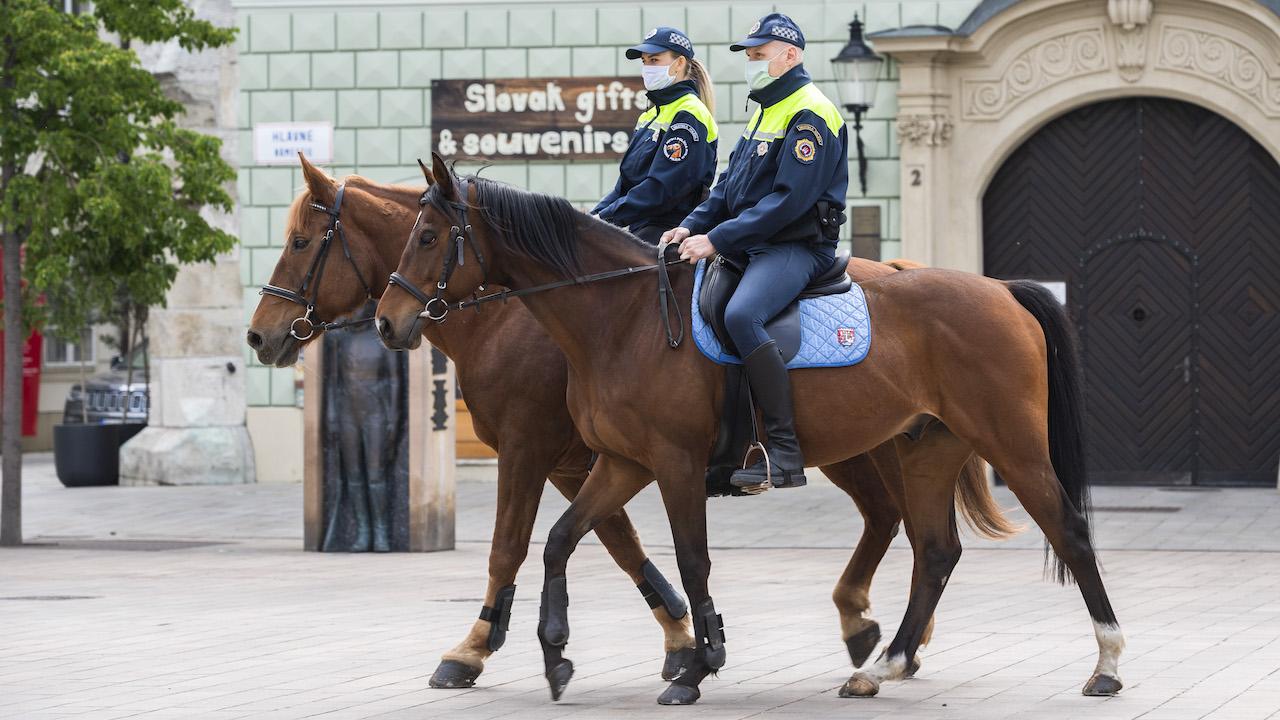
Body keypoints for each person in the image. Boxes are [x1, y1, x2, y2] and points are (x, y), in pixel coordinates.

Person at [662, 13, 849, 490]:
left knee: (743, 315)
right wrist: (688, 226)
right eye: (749, 56)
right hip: (753, 245)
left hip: (795, 246)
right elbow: (727, 190)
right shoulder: (767, 108)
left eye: (758, 55)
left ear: (791, 56)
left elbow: (789, 201)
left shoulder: (812, 112)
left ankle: (784, 451)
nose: (751, 63)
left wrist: (718, 240)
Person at [592, 27, 718, 244]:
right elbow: (624, 186)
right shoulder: (649, 116)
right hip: (639, 226)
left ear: (678, 63)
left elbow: (663, 189)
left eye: (654, 60)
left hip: (669, 231)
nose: (647, 68)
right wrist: (590, 220)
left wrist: (606, 218)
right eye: (644, 61)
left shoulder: (690, 113)